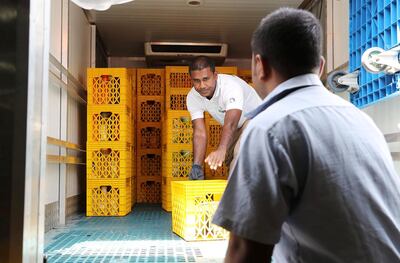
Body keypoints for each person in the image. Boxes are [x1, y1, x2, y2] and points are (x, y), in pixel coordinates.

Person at [212, 7, 400, 263]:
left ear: (259, 65)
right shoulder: (362, 120)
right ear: (321, 67)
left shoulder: (269, 128)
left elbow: (244, 253)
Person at [186, 56, 262, 180]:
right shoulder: (193, 97)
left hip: (257, 120)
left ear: (215, 75)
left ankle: (236, 197)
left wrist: (222, 149)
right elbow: (199, 132)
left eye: (206, 79)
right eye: (197, 81)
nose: (202, 85)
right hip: (238, 127)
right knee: (229, 159)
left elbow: (231, 123)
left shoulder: (230, 87)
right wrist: (196, 165)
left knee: (239, 156)